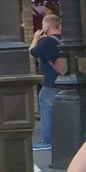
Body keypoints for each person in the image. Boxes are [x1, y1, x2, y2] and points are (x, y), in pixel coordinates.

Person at [30, 13, 64, 151]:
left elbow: (32, 52)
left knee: (46, 106)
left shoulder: (47, 42)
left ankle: (48, 139)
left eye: (43, 24)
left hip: (51, 82)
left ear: (47, 26)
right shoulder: (64, 40)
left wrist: (35, 38)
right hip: (64, 80)